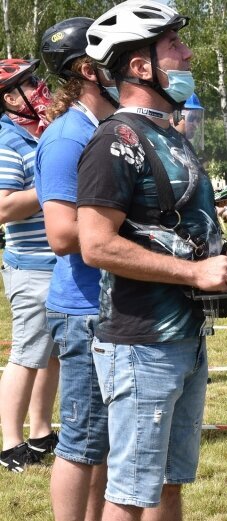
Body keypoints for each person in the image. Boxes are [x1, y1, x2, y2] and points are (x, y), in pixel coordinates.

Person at [77, 2, 227, 519]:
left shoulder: (167, 134)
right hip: (141, 342)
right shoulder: (113, 141)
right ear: (140, 66)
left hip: (184, 338)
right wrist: (194, 273)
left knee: (170, 484)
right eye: (173, 46)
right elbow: (95, 244)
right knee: (130, 492)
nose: (187, 53)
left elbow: (183, 233)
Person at [36, 16, 120, 519]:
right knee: (82, 443)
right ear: (87, 70)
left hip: (109, 305)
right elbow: (62, 234)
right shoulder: (69, 138)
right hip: (82, 310)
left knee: (105, 444)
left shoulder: (102, 129)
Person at [0, 57, 60, 473]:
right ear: (8, 98)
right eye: (28, 83)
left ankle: (40, 433)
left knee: (51, 354)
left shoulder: (39, 135)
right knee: (26, 354)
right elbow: (3, 206)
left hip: (56, 264)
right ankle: (10, 443)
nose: (40, 88)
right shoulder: (6, 140)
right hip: (32, 267)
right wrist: (54, 187)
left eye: (37, 80)